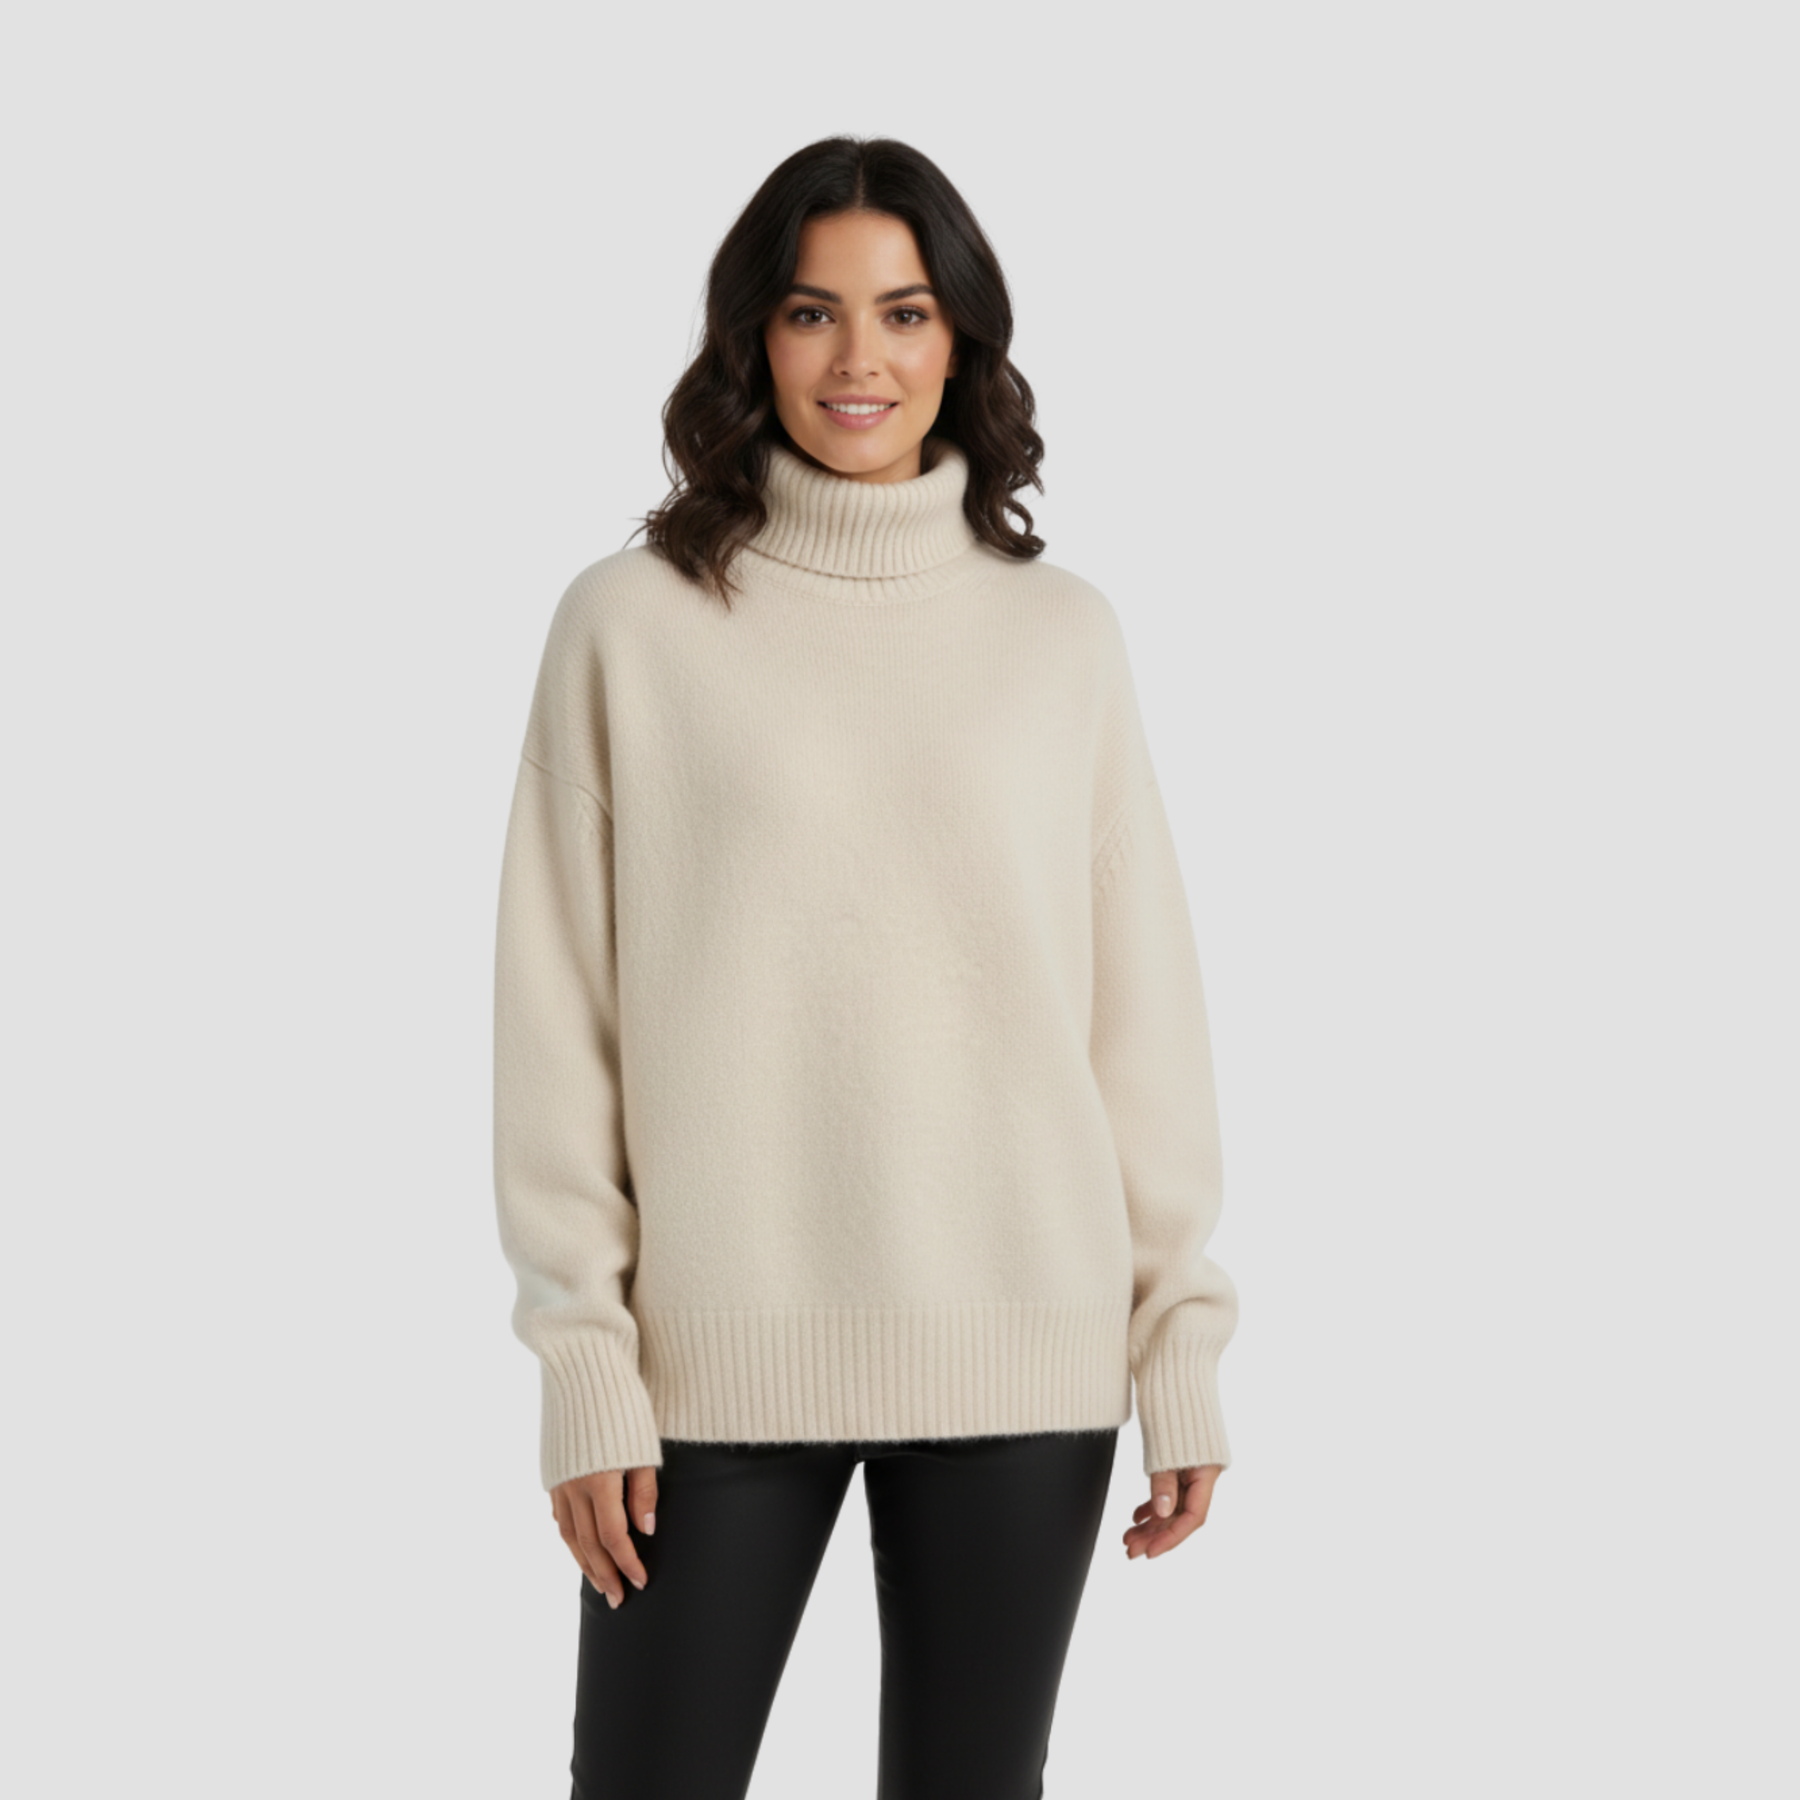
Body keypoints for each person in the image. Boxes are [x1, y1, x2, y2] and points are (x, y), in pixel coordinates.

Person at [491, 134, 1240, 1800]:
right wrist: (584, 1363)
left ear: (959, 339)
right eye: (812, 312)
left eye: (904, 313)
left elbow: (1139, 1018)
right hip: (708, 1359)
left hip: (1024, 1340)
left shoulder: (1062, 637)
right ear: (753, 338)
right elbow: (557, 1023)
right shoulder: (629, 624)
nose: (860, 358)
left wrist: (1179, 1334)